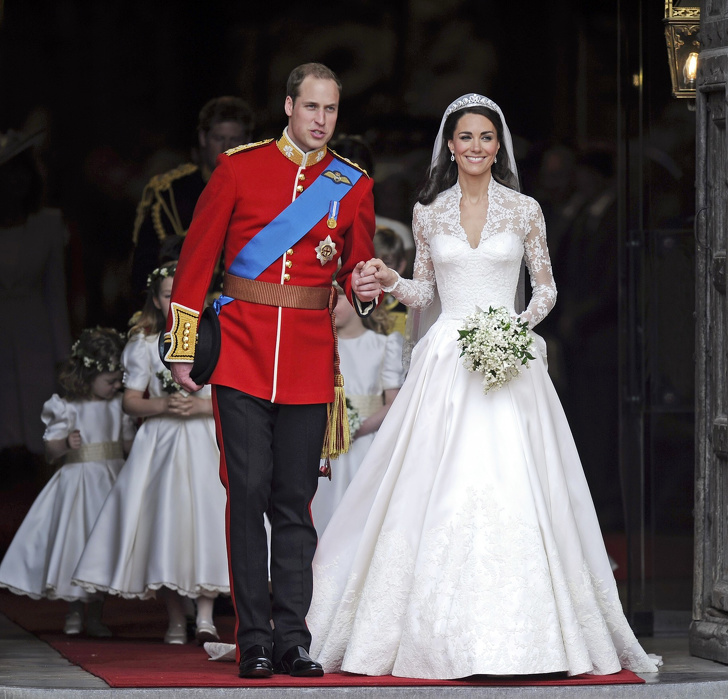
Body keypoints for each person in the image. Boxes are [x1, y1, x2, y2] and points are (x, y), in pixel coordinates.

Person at [305, 94, 660, 678]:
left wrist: (512, 331)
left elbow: (544, 290)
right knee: (432, 485)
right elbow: (424, 294)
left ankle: (530, 638)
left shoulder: (525, 210)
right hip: (445, 359)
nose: (475, 147)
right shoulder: (429, 212)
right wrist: (391, 278)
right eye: (465, 137)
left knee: (514, 482)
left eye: (486, 138)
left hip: (508, 360)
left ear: (499, 147)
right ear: (450, 145)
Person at [165, 62, 380, 678]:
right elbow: (198, 254)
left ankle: (294, 638)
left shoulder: (353, 184)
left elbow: (357, 273)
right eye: (311, 107)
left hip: (310, 360)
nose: (321, 120)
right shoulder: (240, 166)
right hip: (239, 353)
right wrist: (183, 346)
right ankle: (253, 635)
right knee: (249, 491)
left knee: (295, 500)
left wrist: (365, 288)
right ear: (289, 106)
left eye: (331, 110)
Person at [72, 261, 230, 644]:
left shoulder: (215, 338)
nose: (175, 300)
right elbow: (130, 402)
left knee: (207, 522)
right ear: (156, 301)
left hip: (204, 440)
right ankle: (176, 616)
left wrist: (202, 407)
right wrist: (162, 406)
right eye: (166, 294)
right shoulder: (143, 345)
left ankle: (206, 613)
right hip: (161, 445)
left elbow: (230, 395)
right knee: (165, 524)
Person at [0, 327, 134, 636]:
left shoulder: (118, 406)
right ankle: (74, 612)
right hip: (79, 482)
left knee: (101, 548)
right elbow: (49, 450)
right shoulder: (67, 408)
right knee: (76, 543)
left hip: (111, 482)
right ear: (88, 375)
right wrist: (64, 444)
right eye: (110, 381)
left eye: (118, 380)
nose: (116, 386)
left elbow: (128, 446)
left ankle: (96, 614)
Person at [130, 96, 254, 295]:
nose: (226, 148)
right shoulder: (170, 194)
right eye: (219, 138)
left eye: (234, 140)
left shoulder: (262, 192)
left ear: (247, 142)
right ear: (203, 139)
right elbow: (145, 268)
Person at [0, 127, 72, 467]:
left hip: (35, 339)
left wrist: (64, 359)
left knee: (37, 434)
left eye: (19, 173)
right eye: (5, 174)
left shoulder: (48, 225)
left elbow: (56, 294)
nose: (13, 183)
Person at [310, 289, 404, 534]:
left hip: (366, 443)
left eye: (337, 298)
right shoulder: (319, 346)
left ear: (357, 302)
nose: (329, 305)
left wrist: (356, 428)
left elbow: (393, 403)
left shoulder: (384, 345)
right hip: (323, 443)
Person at [373, 226, 409, 337]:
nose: (379, 268)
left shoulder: (407, 302)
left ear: (401, 266)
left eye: (387, 263)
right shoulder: (356, 299)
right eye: (373, 259)